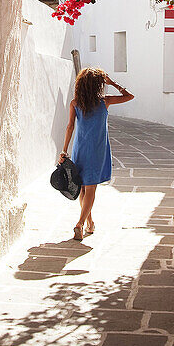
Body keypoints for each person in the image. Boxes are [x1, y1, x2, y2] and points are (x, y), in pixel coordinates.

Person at [59, 67, 134, 240]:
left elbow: (70, 127)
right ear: (98, 85)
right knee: (91, 187)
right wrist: (113, 83)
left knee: (83, 187)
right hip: (97, 148)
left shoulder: (75, 103)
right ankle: (80, 223)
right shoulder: (104, 102)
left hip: (80, 148)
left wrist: (64, 150)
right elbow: (129, 96)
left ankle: (89, 223)